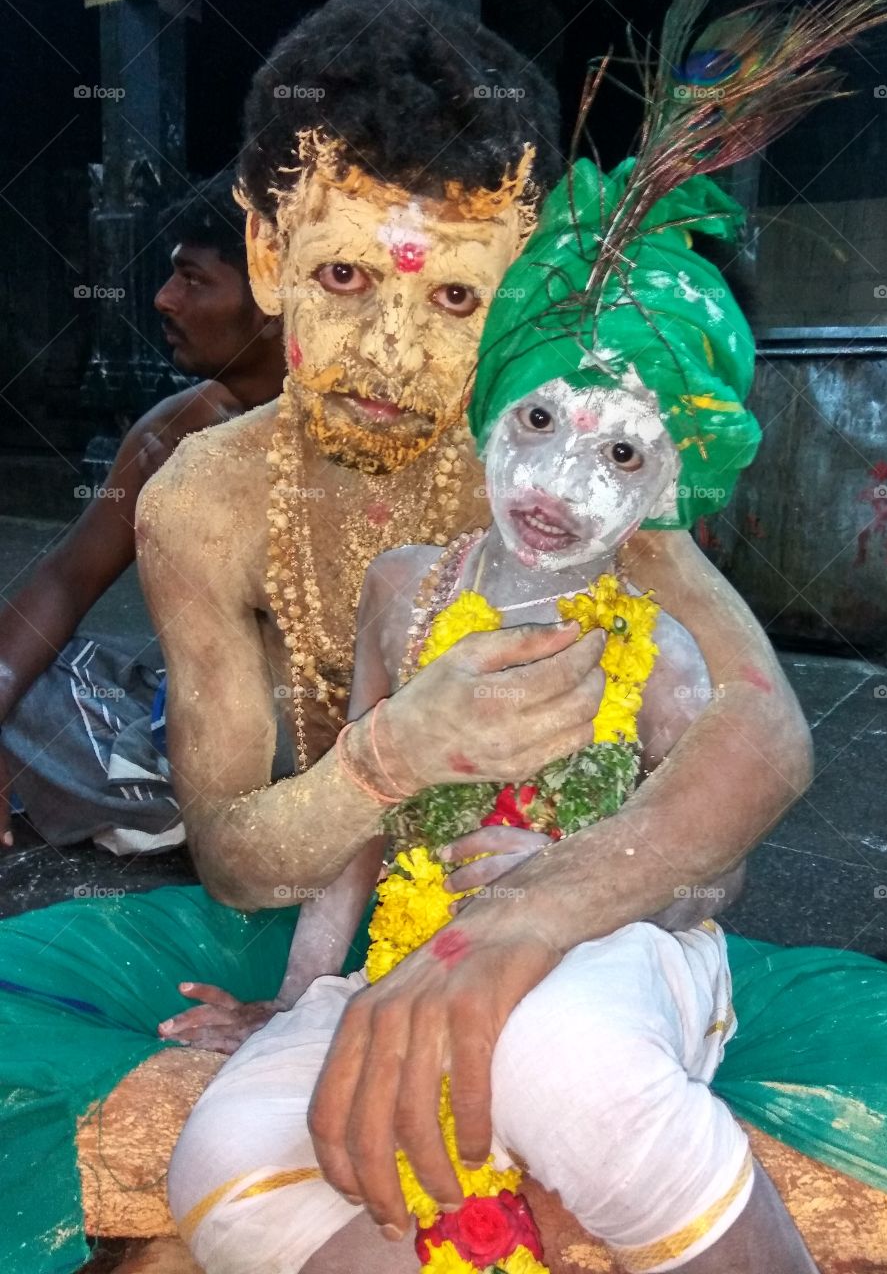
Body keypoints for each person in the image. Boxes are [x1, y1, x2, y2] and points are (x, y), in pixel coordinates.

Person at [167, 156, 824, 1272]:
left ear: (672, 478)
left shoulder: (662, 632)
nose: (559, 486)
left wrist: (577, 879)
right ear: (490, 412)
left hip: (622, 950)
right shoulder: (407, 590)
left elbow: (715, 869)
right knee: (223, 1151)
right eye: (539, 419)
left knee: (549, 1057)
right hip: (409, 945)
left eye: (619, 452)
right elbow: (361, 837)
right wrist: (295, 997)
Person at [0, 170, 285, 855]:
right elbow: (68, 579)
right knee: (28, 674)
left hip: (291, 744)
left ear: (274, 294)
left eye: (192, 279)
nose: (163, 299)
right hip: (174, 715)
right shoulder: (183, 423)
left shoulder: (363, 430)